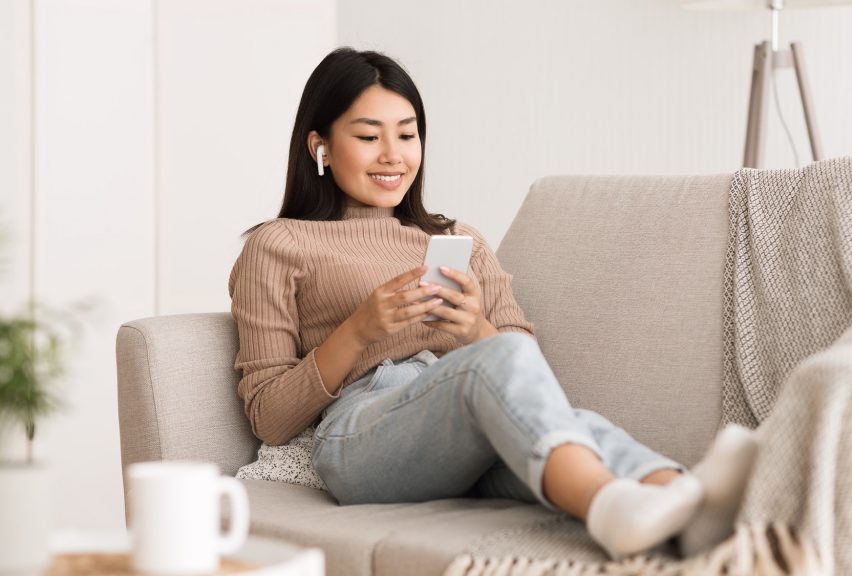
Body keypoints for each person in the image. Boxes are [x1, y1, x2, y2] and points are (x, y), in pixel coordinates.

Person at [229, 47, 758, 560]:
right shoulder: (279, 245)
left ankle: (689, 504)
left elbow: (526, 373)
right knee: (504, 369)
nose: (393, 155)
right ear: (319, 146)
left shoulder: (461, 239)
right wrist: (359, 330)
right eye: (369, 136)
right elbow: (269, 418)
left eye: (408, 135)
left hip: (463, 431)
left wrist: (474, 329)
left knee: (577, 424)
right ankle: (620, 505)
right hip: (361, 437)